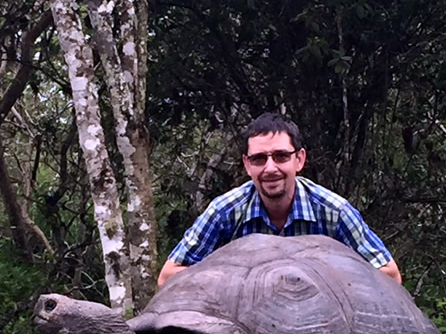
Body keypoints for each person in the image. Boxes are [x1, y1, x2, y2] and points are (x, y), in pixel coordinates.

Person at [157, 112, 403, 287]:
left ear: (300, 159)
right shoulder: (225, 212)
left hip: (323, 328)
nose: (270, 168)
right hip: (241, 328)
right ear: (246, 164)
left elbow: (389, 275)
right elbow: (168, 277)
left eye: (281, 156)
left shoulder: (333, 211)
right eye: (259, 159)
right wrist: (238, 282)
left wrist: (320, 285)